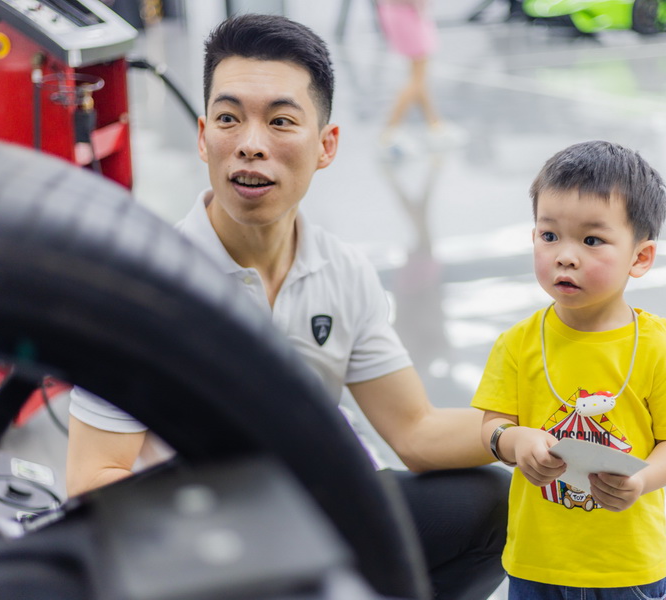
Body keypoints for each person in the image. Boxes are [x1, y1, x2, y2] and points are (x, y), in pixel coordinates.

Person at [66, 13, 509, 600]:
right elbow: (92, 481)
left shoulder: (341, 270)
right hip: (196, 540)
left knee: (492, 503)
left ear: (325, 145)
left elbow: (415, 429)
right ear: (203, 137)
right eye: (229, 119)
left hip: (315, 509)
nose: (251, 144)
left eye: (280, 121)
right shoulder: (143, 285)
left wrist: (526, 430)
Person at [471, 140, 666, 599]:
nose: (565, 256)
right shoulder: (518, 343)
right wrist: (514, 440)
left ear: (640, 257)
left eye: (592, 240)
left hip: (629, 571)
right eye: (549, 235)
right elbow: (493, 424)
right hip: (536, 567)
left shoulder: (659, 348)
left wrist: (641, 480)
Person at [376, 0, 462, 157]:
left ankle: (435, 125)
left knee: (418, 76)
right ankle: (390, 132)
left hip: (398, 12)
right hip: (406, 13)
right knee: (417, 77)